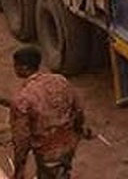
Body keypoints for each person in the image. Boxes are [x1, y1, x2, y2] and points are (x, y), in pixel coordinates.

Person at [10, 45, 86, 179]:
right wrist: (78, 131)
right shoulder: (60, 80)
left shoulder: (22, 99)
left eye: (15, 65)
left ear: (24, 68)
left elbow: (21, 139)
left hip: (47, 152)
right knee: (63, 171)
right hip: (69, 144)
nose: (14, 68)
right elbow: (78, 109)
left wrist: (19, 169)